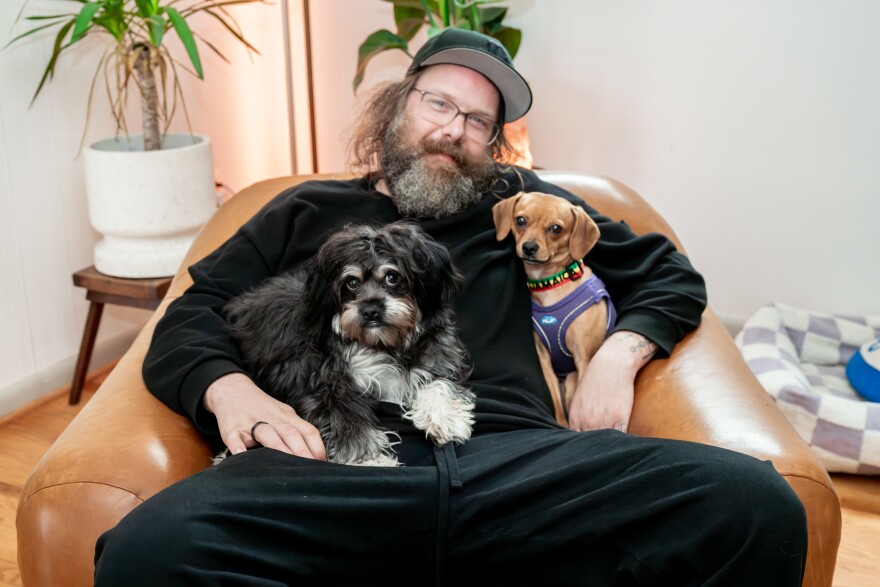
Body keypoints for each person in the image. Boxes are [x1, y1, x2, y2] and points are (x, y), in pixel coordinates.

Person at [94, 29, 807, 586]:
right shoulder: (308, 210)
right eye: (439, 103)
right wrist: (232, 391)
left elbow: (667, 275)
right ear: (398, 105)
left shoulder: (520, 206)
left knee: (755, 505)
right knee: (144, 550)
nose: (454, 129)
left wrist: (618, 356)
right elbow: (189, 313)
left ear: (493, 144)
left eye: (478, 120)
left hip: (519, 467)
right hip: (333, 468)